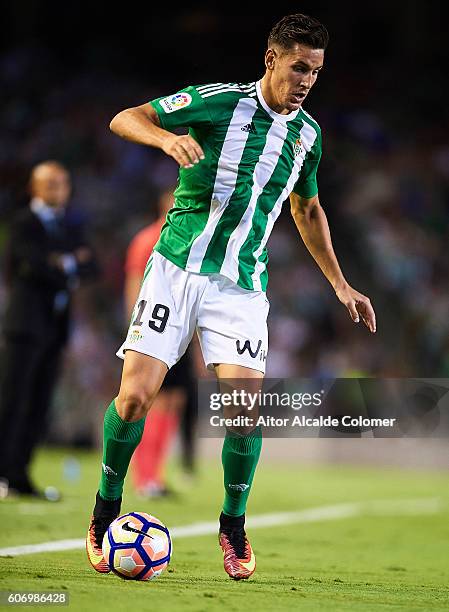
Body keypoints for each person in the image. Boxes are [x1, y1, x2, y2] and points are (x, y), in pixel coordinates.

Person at [86, 13, 376, 580]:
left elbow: (307, 209)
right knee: (135, 399)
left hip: (241, 285)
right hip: (177, 269)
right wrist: (167, 137)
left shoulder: (308, 137)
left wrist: (340, 283)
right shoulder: (217, 102)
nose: (307, 81)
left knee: (244, 412)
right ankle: (104, 509)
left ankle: (233, 525)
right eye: (298, 68)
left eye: (316, 72)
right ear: (271, 59)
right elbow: (126, 118)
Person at [0, 161, 97, 499]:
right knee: (12, 400)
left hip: (54, 329)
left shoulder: (67, 225)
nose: (59, 189)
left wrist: (60, 262)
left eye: (63, 183)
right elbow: (31, 268)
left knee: (38, 404)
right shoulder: (23, 222)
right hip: (24, 326)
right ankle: (2, 472)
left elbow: (92, 265)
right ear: (34, 187)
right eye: (51, 183)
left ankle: (18, 475)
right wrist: (70, 263)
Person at [124, 187, 197, 497]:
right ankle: (145, 477)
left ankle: (156, 474)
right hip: (154, 329)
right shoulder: (148, 239)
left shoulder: (189, 240)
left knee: (174, 401)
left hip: (181, 332)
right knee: (148, 401)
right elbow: (134, 284)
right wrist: (136, 330)